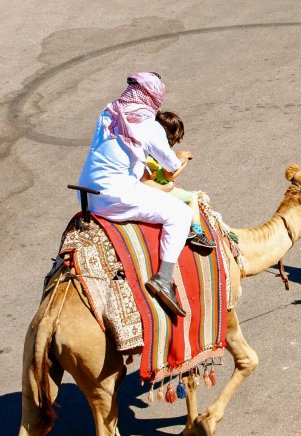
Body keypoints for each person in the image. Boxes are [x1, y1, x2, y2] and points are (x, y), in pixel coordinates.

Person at [78, 72, 193, 317]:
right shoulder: (150, 127)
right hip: (116, 196)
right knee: (181, 213)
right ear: (153, 98)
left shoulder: (108, 112)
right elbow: (171, 166)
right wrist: (182, 159)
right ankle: (163, 278)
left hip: (87, 193)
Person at [141, 111, 215, 250]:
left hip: (153, 187)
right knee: (192, 197)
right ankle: (198, 233)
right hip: (157, 191)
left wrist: (182, 161)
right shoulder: (155, 156)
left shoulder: (147, 150)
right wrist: (182, 160)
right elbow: (169, 175)